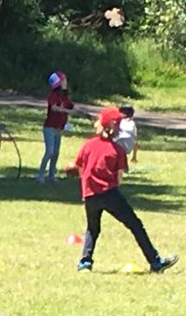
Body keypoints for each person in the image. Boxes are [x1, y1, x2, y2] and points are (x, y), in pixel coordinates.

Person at [74, 107, 178, 273]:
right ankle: (155, 262)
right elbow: (118, 178)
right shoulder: (118, 150)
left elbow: (80, 168)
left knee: (92, 228)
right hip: (110, 194)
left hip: (90, 195)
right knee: (135, 225)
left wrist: (88, 186)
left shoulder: (88, 145)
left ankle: (85, 262)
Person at [37, 71, 75, 183]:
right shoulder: (53, 96)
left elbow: (72, 107)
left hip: (59, 128)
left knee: (56, 153)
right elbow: (54, 107)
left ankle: (51, 176)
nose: (66, 82)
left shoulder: (65, 97)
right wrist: (67, 110)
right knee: (49, 152)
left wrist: (83, 113)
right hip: (49, 127)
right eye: (64, 80)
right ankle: (40, 175)